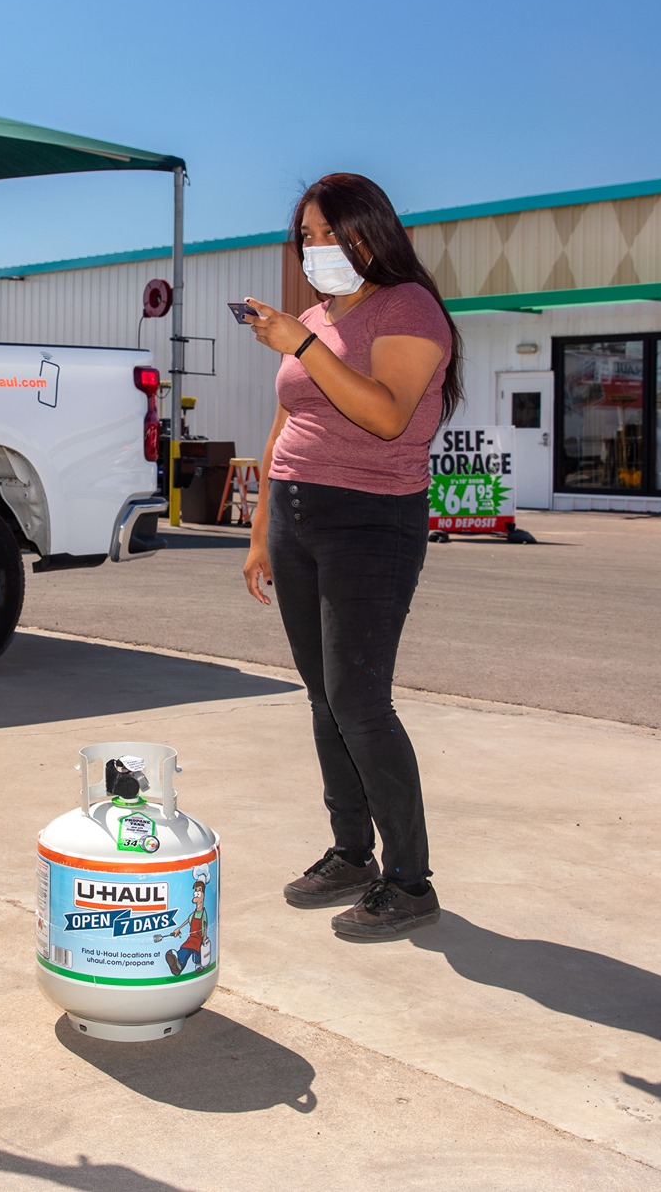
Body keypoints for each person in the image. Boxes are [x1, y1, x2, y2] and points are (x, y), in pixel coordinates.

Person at [237, 173, 461, 942]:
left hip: (371, 520)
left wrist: (300, 344)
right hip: (298, 515)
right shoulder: (314, 317)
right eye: (307, 236)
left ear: (373, 229)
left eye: (332, 231)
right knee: (324, 696)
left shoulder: (408, 308)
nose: (318, 247)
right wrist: (261, 526)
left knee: (360, 700)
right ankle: (352, 853)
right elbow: (285, 422)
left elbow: (388, 414)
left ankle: (411, 880)